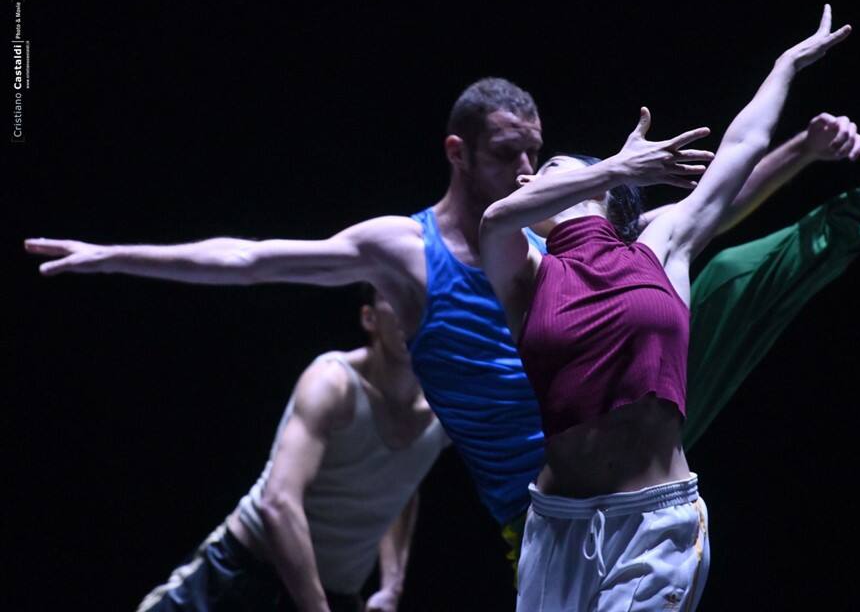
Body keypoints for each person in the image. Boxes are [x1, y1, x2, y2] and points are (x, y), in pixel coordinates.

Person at [24, 79, 713, 551]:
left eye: (536, 151)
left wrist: (795, 150)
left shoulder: (546, 236)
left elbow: (686, 220)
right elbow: (251, 259)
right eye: (508, 154)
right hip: (537, 509)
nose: (529, 169)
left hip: (623, 458)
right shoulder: (404, 251)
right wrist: (111, 255)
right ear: (458, 152)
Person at [478, 5, 850, 610]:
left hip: (655, 527)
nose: (527, 184)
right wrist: (620, 167)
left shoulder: (662, 246)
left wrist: (786, 64)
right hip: (555, 525)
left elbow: (743, 145)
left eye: (547, 170)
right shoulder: (528, 273)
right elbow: (494, 220)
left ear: (598, 188)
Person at [136, 285, 447, 612]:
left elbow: (401, 484)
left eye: (420, 300)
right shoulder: (333, 384)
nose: (409, 310)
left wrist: (392, 587)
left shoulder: (448, 409)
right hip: (243, 576)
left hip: (333, 595)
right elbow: (279, 502)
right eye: (395, 296)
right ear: (369, 318)